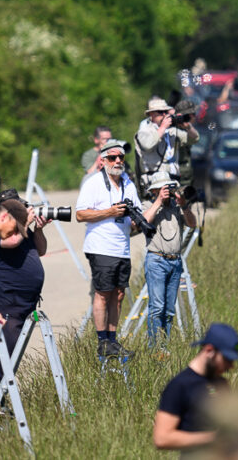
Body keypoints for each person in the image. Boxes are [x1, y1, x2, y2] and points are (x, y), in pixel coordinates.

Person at [76, 138, 162, 357]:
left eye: (121, 157)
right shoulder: (93, 183)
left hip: (121, 247)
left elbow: (132, 216)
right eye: (112, 157)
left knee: (119, 293)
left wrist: (138, 221)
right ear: (103, 159)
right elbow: (80, 214)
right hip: (100, 246)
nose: (117, 161)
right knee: (103, 293)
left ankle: (113, 340)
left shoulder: (128, 183)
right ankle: (102, 340)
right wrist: (109, 212)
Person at [0, 190, 48, 394]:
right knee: (4, 348)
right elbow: (10, 242)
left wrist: (38, 229)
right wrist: (25, 224)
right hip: (6, 299)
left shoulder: (19, 228)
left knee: (13, 350)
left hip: (22, 302)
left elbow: (42, 250)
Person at [154, 322, 238, 452]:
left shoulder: (222, 383)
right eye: (227, 359)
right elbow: (162, 438)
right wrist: (213, 438)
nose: (231, 366)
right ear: (209, 350)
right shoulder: (179, 386)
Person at [142, 172, 197, 349]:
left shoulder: (176, 206)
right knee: (157, 307)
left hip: (175, 262)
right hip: (156, 260)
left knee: (169, 310)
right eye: (164, 188)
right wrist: (158, 201)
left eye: (169, 187)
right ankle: (154, 348)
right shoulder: (148, 204)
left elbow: (192, 223)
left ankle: (163, 347)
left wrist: (184, 206)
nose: (168, 191)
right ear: (156, 190)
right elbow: (144, 221)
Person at [135, 98, 198, 195]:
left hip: (173, 180)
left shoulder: (171, 130)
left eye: (166, 112)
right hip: (154, 182)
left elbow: (194, 139)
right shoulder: (145, 130)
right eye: (160, 112)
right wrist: (163, 127)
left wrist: (188, 126)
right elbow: (148, 145)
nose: (164, 115)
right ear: (151, 114)